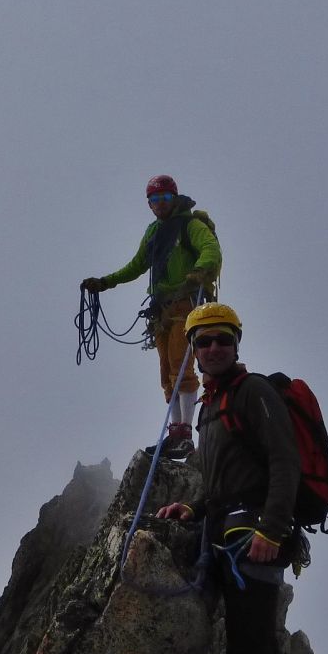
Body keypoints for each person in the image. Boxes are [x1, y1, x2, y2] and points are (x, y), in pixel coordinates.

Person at [154, 302, 302, 654]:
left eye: (222, 339)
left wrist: (273, 529)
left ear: (237, 344)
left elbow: (286, 463)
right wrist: (192, 507)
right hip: (227, 533)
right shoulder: (209, 406)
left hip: (254, 539)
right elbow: (220, 481)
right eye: (204, 342)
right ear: (193, 352)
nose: (213, 348)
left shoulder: (252, 392)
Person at [82, 175, 221, 454]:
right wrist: (106, 282)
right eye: (154, 200)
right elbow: (137, 265)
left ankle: (185, 433)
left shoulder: (190, 225)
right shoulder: (153, 232)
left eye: (164, 199)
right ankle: (175, 432)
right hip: (161, 309)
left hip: (186, 303)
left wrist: (199, 272)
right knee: (166, 371)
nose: (159, 205)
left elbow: (210, 249)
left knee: (180, 363)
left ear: (174, 198)